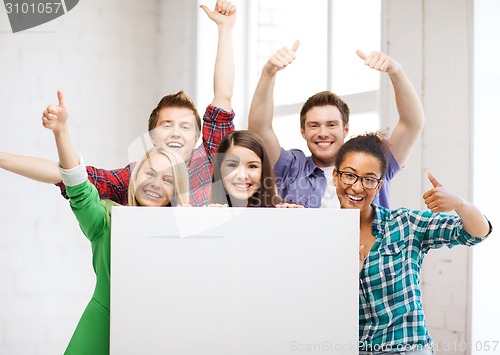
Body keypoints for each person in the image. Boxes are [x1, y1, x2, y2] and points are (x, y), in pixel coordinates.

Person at [0, 0, 236, 207]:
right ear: (152, 136)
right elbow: (68, 175)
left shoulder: (209, 159)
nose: (176, 133)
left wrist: (225, 29)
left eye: (185, 127)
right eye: (166, 125)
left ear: (197, 137)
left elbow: (223, 96)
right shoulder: (135, 177)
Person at [42, 90, 190, 355]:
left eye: (168, 180)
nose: (156, 183)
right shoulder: (108, 219)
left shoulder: (182, 233)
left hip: (157, 335)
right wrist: (61, 131)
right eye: (151, 174)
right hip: (100, 332)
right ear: (134, 176)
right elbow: (79, 187)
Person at [333, 132, 492, 354]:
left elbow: (478, 232)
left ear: (379, 186)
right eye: (349, 175)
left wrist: (459, 204)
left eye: (369, 179)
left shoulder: (405, 224)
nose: (358, 188)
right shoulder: (323, 235)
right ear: (335, 176)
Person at [248, 42, 425, 208]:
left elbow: (412, 123)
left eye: (331, 125)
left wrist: (396, 72)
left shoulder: (374, 162)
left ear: (345, 129)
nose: (323, 133)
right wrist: (268, 73)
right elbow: (259, 129)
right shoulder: (291, 168)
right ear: (303, 131)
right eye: (314, 125)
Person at [211, 130, 302, 208]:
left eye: (252, 166)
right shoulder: (206, 214)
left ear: (263, 170)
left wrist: (296, 221)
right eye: (232, 165)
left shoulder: (284, 212)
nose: (242, 176)